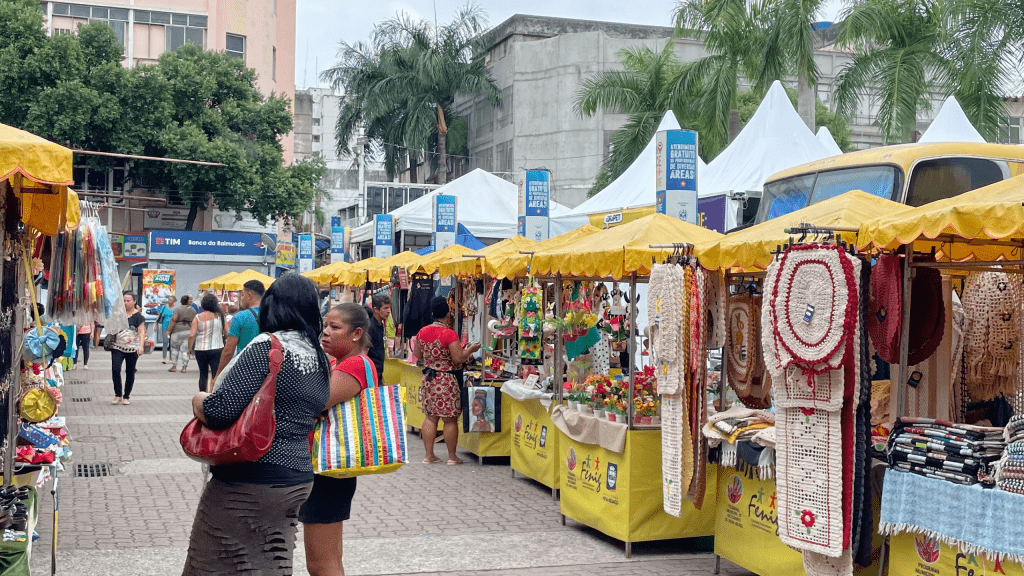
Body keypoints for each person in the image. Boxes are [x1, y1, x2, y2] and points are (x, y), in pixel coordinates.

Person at [182, 274, 330, 576]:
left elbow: (221, 410)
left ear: (272, 307)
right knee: (271, 564)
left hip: (250, 479)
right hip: (297, 480)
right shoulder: (319, 357)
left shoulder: (268, 348)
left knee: (211, 563)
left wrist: (199, 400)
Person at [299, 303, 376, 576]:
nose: (325, 333)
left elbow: (310, 403)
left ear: (356, 333)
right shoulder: (339, 362)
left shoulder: (355, 364)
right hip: (328, 468)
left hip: (329, 469)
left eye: (335, 327)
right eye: (325, 325)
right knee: (328, 559)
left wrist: (312, 409)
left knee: (321, 564)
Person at [414, 297, 480, 465]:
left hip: (429, 378)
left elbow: (418, 355)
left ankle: (428, 456)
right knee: (449, 419)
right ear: (448, 314)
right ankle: (452, 457)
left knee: (430, 417)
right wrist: (470, 350)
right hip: (446, 379)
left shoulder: (422, 332)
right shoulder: (449, 334)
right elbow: (458, 358)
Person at [217, 280, 264, 374]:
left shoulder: (240, 317)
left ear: (249, 295)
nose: (241, 298)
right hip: (266, 369)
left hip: (244, 369)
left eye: (242, 295)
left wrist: (218, 374)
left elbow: (228, 351)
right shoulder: (274, 315)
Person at [111, 291, 146, 405]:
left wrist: (140, 346)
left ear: (134, 301)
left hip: (132, 349)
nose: (126, 303)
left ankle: (126, 396)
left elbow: (141, 332)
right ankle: (117, 395)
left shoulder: (139, 317)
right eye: (124, 301)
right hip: (117, 346)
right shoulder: (118, 314)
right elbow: (112, 327)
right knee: (116, 370)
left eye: (128, 300)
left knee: (130, 372)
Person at [189, 294, 227, 392]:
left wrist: (189, 348)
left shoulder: (197, 317)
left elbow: (192, 334)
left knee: (203, 373)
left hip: (200, 349)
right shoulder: (221, 316)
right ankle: (213, 394)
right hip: (217, 348)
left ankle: (202, 395)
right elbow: (227, 332)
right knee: (216, 373)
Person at [167, 295, 196, 373]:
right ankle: (184, 367)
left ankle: (174, 366)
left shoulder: (178, 309)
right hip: (188, 331)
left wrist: (169, 330)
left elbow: (173, 320)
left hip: (177, 330)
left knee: (174, 349)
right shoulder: (193, 310)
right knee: (185, 350)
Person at [366, 295, 391, 383]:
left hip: (378, 372)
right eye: (385, 308)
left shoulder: (380, 325)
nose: (388, 311)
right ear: (376, 310)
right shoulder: (370, 327)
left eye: (389, 308)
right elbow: (365, 350)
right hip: (370, 372)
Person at [157, 296, 177, 364]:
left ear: (174, 301)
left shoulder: (176, 309)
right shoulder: (164, 307)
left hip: (173, 327)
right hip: (164, 326)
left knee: (172, 343)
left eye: (171, 300)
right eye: (169, 300)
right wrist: (156, 325)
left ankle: (171, 358)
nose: (169, 301)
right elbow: (159, 316)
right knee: (165, 342)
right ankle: (164, 357)